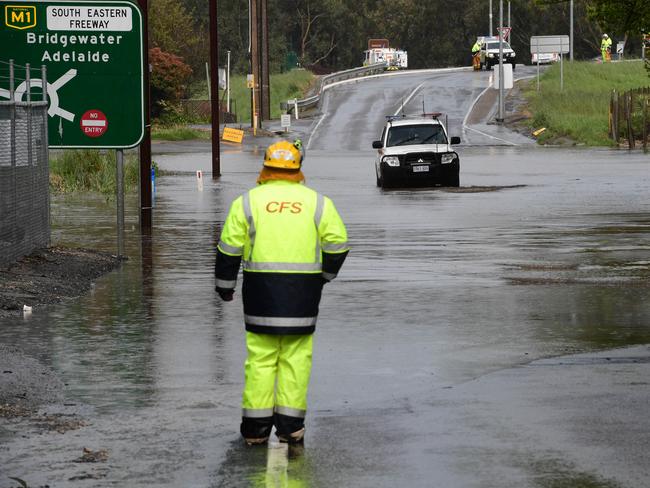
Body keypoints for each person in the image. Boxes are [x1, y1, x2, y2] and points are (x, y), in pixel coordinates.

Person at [215, 140, 349, 446]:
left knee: (260, 359)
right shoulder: (318, 203)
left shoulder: (248, 202)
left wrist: (225, 287)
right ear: (298, 168)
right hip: (302, 296)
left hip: (260, 293)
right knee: (296, 358)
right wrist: (324, 277)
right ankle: (291, 427)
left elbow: (229, 248)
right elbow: (338, 245)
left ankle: (255, 429)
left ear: (265, 167)